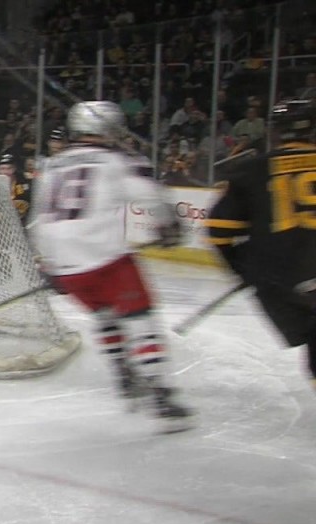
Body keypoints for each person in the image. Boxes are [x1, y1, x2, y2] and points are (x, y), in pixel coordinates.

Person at [29, 100, 193, 431]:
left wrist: (49, 264)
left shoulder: (52, 165)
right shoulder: (116, 160)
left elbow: (37, 219)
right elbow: (149, 194)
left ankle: (122, 371)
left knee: (104, 314)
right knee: (140, 318)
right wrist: (168, 225)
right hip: (104, 258)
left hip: (64, 264)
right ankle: (159, 393)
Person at [205, 98, 316, 388]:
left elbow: (218, 231)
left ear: (275, 131)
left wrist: (242, 268)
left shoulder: (251, 170)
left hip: (279, 280)